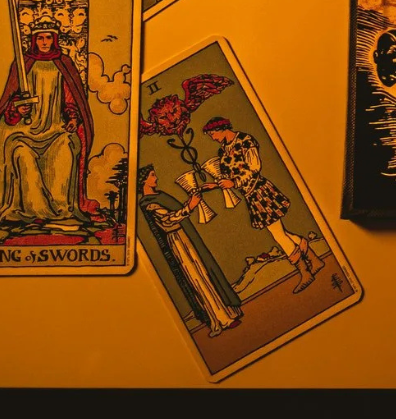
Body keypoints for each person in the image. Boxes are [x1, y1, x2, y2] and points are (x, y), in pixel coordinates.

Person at [0, 20, 97, 231]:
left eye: (48, 37)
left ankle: (61, 212)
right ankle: (30, 212)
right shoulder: (23, 63)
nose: (44, 42)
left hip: (55, 129)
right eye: (40, 38)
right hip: (24, 133)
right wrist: (18, 110)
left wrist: (73, 119)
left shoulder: (63, 63)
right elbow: (9, 101)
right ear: (34, 40)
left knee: (66, 148)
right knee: (20, 153)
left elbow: (70, 99)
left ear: (54, 39)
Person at [201, 117, 321, 293]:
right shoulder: (223, 151)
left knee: (277, 234)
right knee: (281, 232)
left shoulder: (245, 141)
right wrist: (216, 185)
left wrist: (234, 183)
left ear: (222, 128)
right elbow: (229, 177)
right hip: (250, 195)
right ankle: (314, 260)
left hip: (260, 191)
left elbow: (254, 167)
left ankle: (304, 272)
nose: (213, 138)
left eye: (213, 134)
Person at [137, 165, 242, 334]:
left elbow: (175, 212)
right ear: (143, 181)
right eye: (152, 175)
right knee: (198, 279)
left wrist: (191, 202)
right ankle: (220, 319)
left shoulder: (159, 195)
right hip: (177, 241)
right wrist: (190, 206)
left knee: (206, 273)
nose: (155, 178)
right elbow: (168, 220)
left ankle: (228, 312)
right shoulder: (148, 203)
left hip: (185, 236)